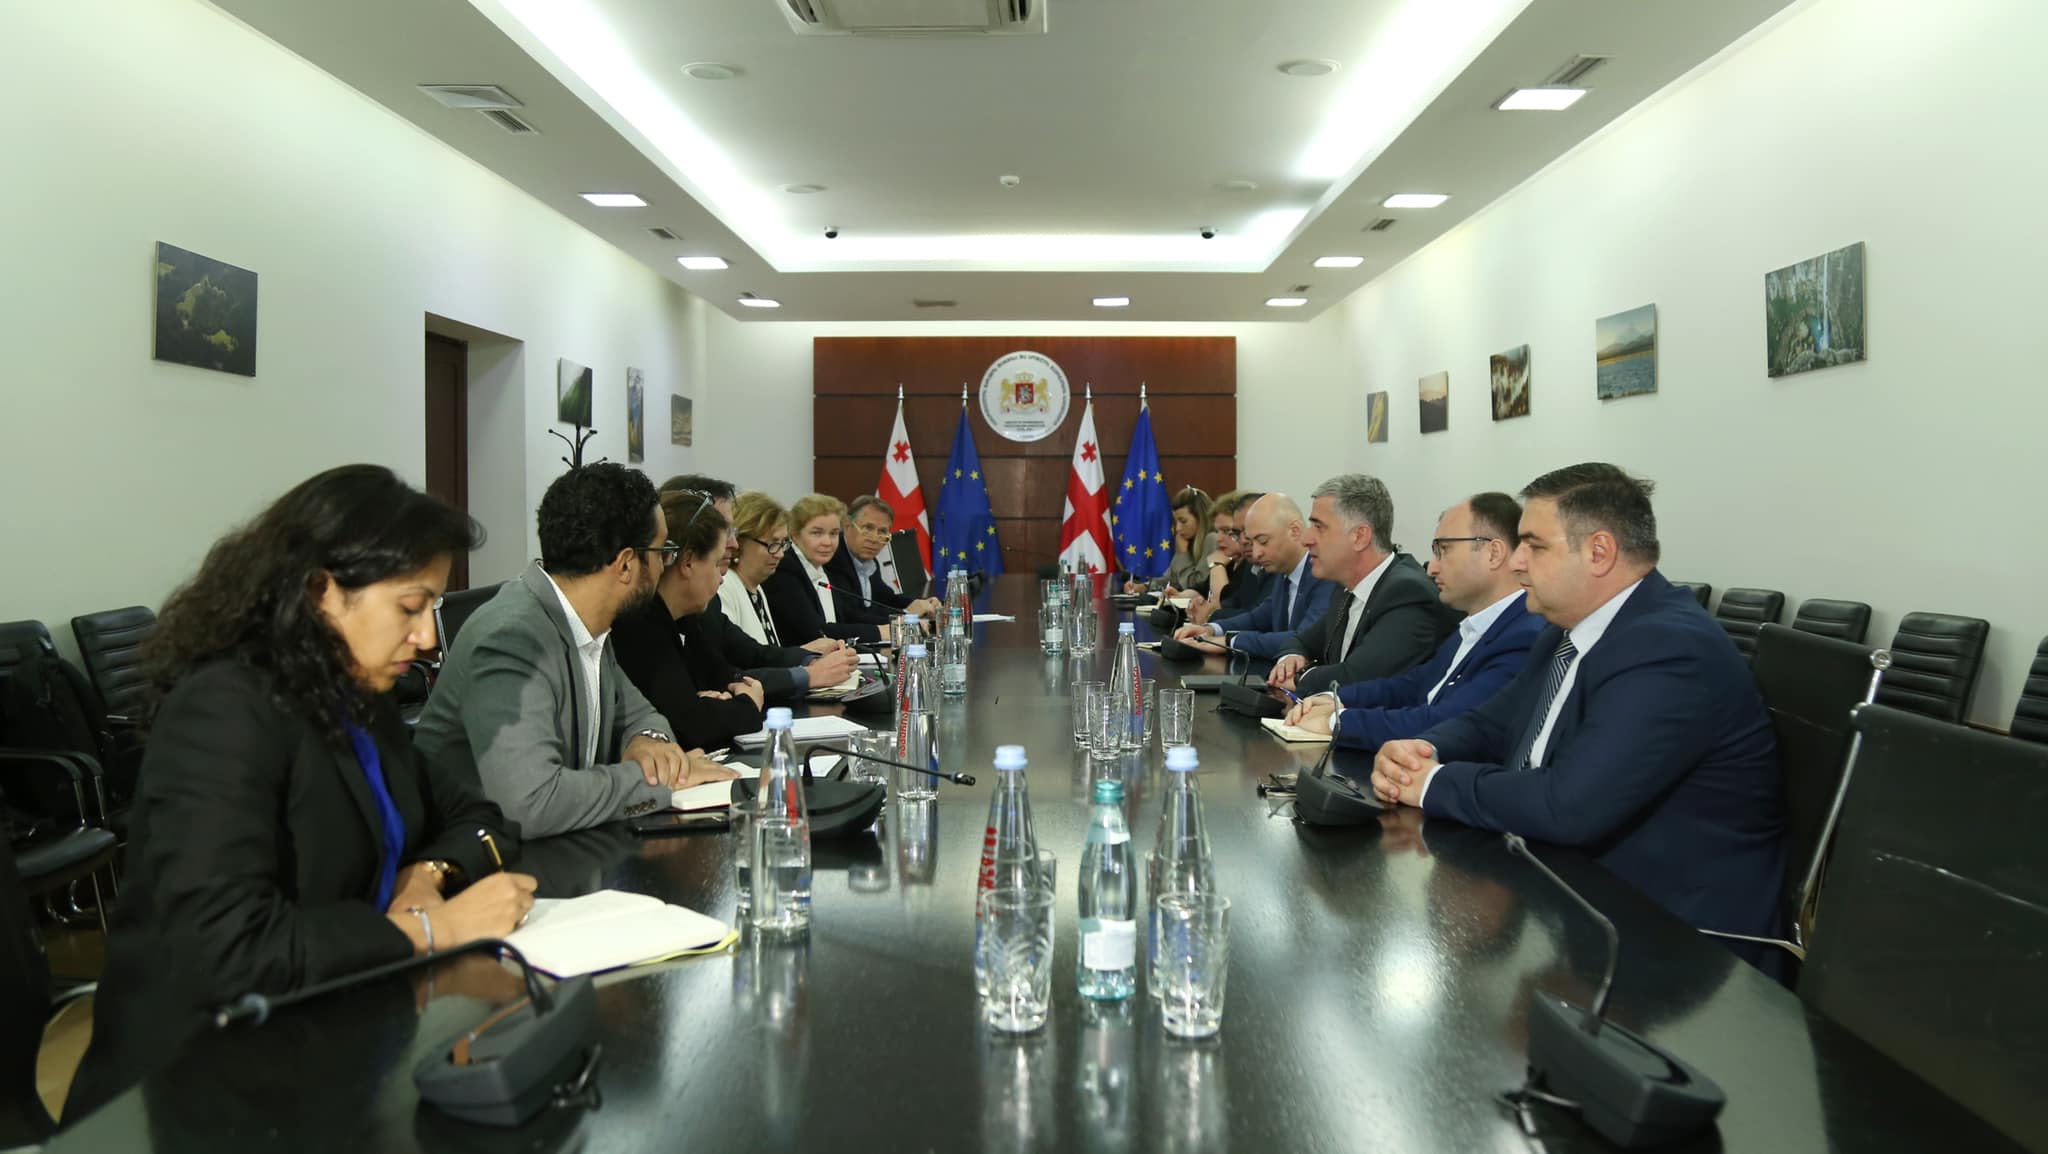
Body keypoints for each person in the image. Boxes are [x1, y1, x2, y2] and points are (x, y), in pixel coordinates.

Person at [64, 465, 536, 1117]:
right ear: (321, 591)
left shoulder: (356, 698)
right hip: (196, 1084)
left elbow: (477, 816)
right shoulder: (224, 709)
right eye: (410, 607)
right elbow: (229, 949)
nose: (429, 638)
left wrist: (429, 874)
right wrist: (435, 929)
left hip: (335, 1037)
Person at [1371, 463, 1784, 945]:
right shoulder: (1566, 630)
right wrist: (1420, 751)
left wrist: (1431, 783)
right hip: (1564, 888)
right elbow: (1490, 724)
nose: (1517, 562)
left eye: (1534, 545)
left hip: (1671, 936)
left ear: (1599, 552)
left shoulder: (1670, 649)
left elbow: (1567, 805)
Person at [415, 464, 733, 838]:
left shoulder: (587, 621)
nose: (666, 564)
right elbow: (530, 803)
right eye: (663, 552)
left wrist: (650, 741)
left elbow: (641, 714)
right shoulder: (511, 639)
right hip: (481, 857)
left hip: (561, 845)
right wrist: (657, 782)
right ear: (626, 564)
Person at [1284, 493, 1543, 750]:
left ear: (1493, 554)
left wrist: (1337, 721)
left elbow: (1445, 722)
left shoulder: (1523, 636)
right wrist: (1336, 699)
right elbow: (1413, 685)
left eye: (1444, 550)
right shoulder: (1474, 625)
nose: (1432, 568)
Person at [1268, 474, 1454, 696]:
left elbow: (1356, 679)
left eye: (1319, 527)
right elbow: (1301, 640)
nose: (1306, 539)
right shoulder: (1346, 587)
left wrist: (1300, 676)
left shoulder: (1408, 594)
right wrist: (1290, 657)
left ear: (1359, 536)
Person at [610, 490, 767, 750]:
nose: (721, 577)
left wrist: (713, 703)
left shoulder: (688, 619)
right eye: (717, 563)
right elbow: (693, 726)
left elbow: (725, 679)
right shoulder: (639, 625)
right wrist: (747, 705)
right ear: (689, 562)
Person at [718, 491, 863, 696]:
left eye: (782, 544)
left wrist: (808, 655)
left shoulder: (757, 588)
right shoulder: (724, 586)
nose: (779, 554)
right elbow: (736, 669)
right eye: (771, 544)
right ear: (739, 541)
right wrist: (809, 668)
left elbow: (764, 655)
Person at [1171, 493, 1336, 659]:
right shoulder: (1283, 572)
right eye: (1251, 542)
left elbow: (1303, 639)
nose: (1256, 553)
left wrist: (1229, 642)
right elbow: (1257, 618)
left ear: (1294, 531)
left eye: (1263, 541)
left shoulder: (1325, 575)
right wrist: (1211, 629)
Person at [764, 492, 886, 645]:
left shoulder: (822, 567)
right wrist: (879, 632)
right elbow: (816, 631)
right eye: (817, 533)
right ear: (795, 533)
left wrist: (894, 624)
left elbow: (847, 616)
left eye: (834, 534)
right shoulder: (784, 569)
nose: (827, 542)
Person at [827, 494, 940, 624]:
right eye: (867, 528)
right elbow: (851, 616)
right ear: (847, 526)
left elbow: (886, 599)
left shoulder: (869, 562)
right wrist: (906, 614)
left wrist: (922, 604)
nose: (875, 539)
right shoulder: (833, 559)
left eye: (882, 531)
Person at [1190, 489, 1266, 624]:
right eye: (1237, 532)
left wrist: (1217, 566)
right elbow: (1230, 602)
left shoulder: (1266, 564)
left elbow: (1259, 616)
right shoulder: (1246, 563)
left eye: (1227, 531)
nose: (1218, 539)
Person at [1123, 486, 1215, 595]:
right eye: (1176, 522)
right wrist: (1143, 587)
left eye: (1183, 521)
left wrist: (1183, 555)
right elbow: (1169, 581)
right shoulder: (1187, 540)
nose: (1178, 529)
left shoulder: (1212, 539)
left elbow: (1195, 585)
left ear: (1201, 518)